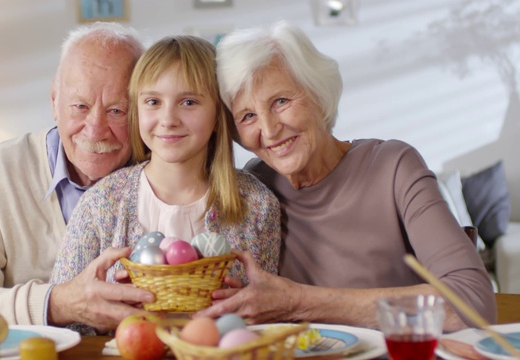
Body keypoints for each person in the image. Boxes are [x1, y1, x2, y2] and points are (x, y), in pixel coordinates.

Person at [195, 21, 496, 331]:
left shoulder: (393, 167)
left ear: (318, 92)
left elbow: (471, 304)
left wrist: (298, 301)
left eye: (281, 101)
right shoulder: (253, 191)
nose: (269, 130)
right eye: (248, 116)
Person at [0, 22, 156, 333]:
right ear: (54, 101)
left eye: (117, 110)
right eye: (79, 106)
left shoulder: (164, 174)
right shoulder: (2, 172)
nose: (96, 129)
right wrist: (55, 304)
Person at [50, 35, 282, 335]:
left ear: (217, 115)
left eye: (188, 102)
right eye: (153, 102)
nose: (168, 119)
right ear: (137, 109)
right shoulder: (102, 203)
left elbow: (269, 319)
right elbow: (62, 319)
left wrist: (251, 314)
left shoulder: (257, 206)